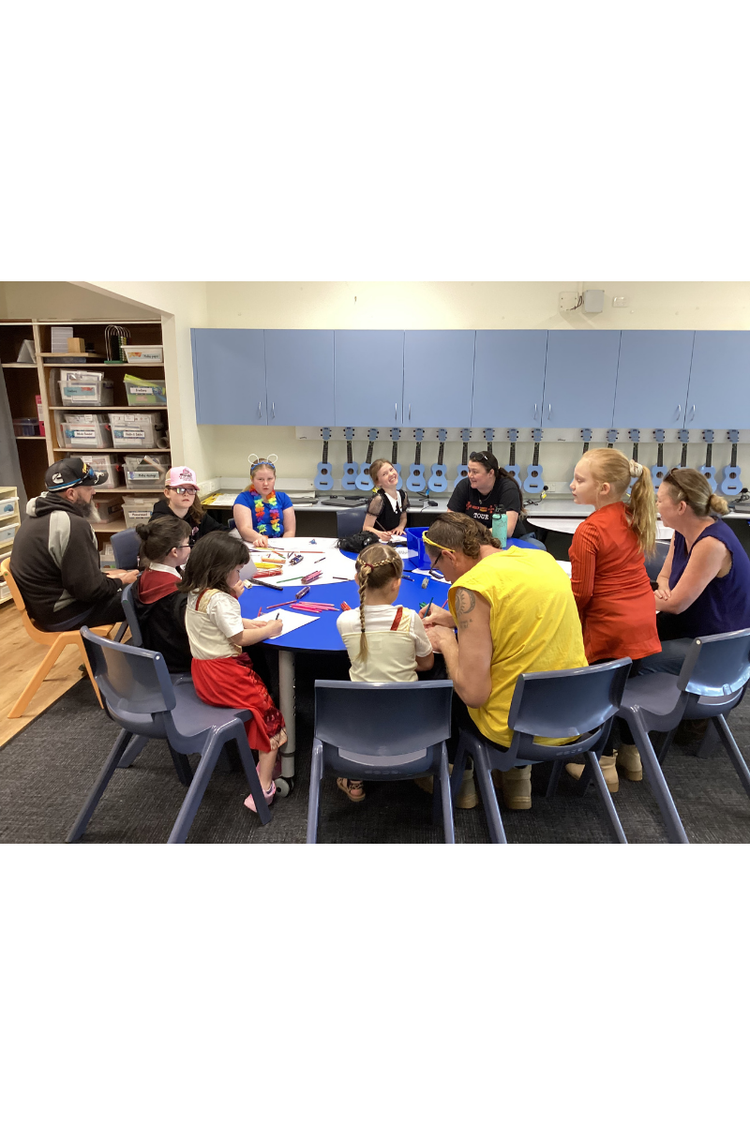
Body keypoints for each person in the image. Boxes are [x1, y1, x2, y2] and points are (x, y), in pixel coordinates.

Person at [420, 512, 587, 810]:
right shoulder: (541, 559)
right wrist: (457, 620)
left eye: (437, 565)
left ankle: (462, 782)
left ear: (450, 555)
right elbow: (514, 619)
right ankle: (517, 781)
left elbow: (474, 695)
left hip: (515, 727)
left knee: (444, 679)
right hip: (577, 715)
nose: (442, 575)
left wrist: (446, 639)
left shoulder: (472, 587)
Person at [565, 449, 660, 790]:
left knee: (603, 696)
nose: (572, 485)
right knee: (625, 688)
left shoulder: (589, 532)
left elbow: (582, 595)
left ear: (604, 488)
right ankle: (631, 756)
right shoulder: (633, 514)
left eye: (580, 480)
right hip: (642, 622)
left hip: (610, 629)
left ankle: (604, 762)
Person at [180, 532, 286, 812]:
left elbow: (219, 623)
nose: (240, 575)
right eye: (237, 570)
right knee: (270, 717)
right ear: (220, 570)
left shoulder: (197, 593)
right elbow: (238, 639)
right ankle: (263, 787)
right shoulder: (222, 600)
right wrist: (269, 629)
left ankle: (262, 766)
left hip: (204, 675)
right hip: (226, 676)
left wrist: (248, 622)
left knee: (261, 711)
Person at [335, 543, 434, 802]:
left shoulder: (344, 621)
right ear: (396, 584)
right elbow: (426, 665)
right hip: (409, 723)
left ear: (357, 580)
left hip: (361, 724)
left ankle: (354, 781)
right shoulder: (410, 618)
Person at [643, 468, 750, 676]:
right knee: (627, 640)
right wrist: (663, 589)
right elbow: (664, 577)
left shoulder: (711, 544)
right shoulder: (683, 531)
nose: (656, 506)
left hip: (717, 646)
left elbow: (675, 605)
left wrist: (624, 599)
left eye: (660, 500)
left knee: (637, 659)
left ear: (681, 507)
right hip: (690, 626)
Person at [9, 457, 138, 630]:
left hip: (46, 608)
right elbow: (89, 591)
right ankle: (147, 654)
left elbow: (75, 577)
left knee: (128, 580)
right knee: (147, 595)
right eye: (89, 488)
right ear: (71, 493)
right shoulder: (72, 525)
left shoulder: (36, 516)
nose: (93, 493)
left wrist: (109, 578)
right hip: (64, 613)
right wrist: (120, 582)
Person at [132, 516, 193, 674]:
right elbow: (198, 628)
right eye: (188, 543)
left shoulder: (149, 573)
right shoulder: (174, 593)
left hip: (160, 650)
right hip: (180, 659)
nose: (190, 547)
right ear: (174, 552)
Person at [447, 450, 531, 539]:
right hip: (472, 540)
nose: (470, 475)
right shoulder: (464, 485)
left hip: (508, 540)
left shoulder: (507, 488)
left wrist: (473, 535)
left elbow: (507, 530)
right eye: (469, 470)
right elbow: (449, 521)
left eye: (475, 472)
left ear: (491, 473)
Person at [150, 466, 225, 543]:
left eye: (191, 489)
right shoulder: (159, 523)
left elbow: (222, 532)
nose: (186, 494)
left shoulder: (195, 513)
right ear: (167, 493)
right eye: (180, 489)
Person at [232, 458, 296, 547]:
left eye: (270, 479)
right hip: (254, 546)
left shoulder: (283, 498)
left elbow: (290, 531)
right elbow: (245, 529)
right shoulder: (243, 499)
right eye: (260, 479)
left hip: (279, 546)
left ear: (275, 478)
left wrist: (283, 546)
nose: (265, 483)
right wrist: (260, 539)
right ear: (252, 479)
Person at [362, 459, 408, 541]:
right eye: (384, 474)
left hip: (394, 539)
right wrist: (380, 534)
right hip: (378, 541)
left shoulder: (403, 495)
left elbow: (403, 518)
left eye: (391, 469)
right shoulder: (378, 499)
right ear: (378, 482)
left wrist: (400, 527)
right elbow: (366, 527)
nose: (391, 474)